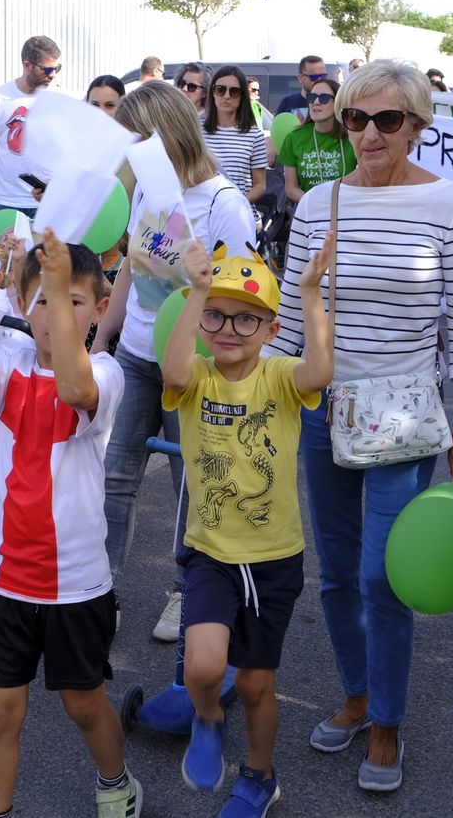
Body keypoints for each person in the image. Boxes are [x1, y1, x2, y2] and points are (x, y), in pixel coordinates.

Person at [269, 60, 453, 792]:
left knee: (381, 574)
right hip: (325, 409)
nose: (368, 133)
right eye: (355, 118)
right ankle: (357, 695)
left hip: (404, 414)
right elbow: (290, 320)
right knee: (334, 571)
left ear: (417, 125)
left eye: (387, 120)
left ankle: (388, 720)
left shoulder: (448, 203)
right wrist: (249, 392)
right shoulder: (317, 204)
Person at [0, 222, 142, 818]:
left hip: (75, 584)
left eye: (72, 300)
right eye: (44, 301)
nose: (56, 314)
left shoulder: (105, 373)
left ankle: (116, 782)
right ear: (24, 305)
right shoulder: (10, 362)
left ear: (99, 309)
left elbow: (73, 388)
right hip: (2, 579)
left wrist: (51, 281)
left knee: (84, 705)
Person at [163, 237, 333, 815]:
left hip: (272, 558)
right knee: (203, 666)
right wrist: (197, 291)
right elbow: (173, 368)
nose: (228, 328)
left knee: (258, 685)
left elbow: (321, 369)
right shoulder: (196, 378)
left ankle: (259, 777)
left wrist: (309, 293)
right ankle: (208, 717)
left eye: (246, 318)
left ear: (270, 329)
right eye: (215, 314)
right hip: (210, 551)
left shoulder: (280, 377)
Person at [92, 80, 256, 642]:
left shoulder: (224, 204)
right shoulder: (145, 189)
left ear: (166, 138)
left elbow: (243, 297)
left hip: (195, 369)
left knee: (194, 484)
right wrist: (102, 339)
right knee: (114, 476)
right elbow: (131, 271)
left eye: (137, 140)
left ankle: (187, 592)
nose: (129, 153)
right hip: (136, 357)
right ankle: (101, 591)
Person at [0, 35, 60, 219]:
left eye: (56, 68)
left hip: (47, 201)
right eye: (47, 69)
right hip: (8, 200)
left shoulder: (58, 100)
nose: (53, 75)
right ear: (27, 65)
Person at [204, 66, 270, 217]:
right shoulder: (195, 129)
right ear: (212, 93)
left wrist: (237, 203)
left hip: (238, 214)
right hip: (203, 213)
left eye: (234, 91)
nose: (226, 96)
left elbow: (260, 185)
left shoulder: (254, 134)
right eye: (220, 90)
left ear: (242, 96)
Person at [279, 77, 355, 204]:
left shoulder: (352, 136)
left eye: (324, 98)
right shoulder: (294, 138)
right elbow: (291, 188)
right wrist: (316, 204)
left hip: (346, 206)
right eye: (312, 97)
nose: (316, 102)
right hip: (310, 209)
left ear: (338, 102)